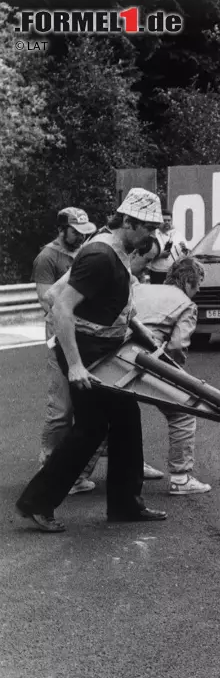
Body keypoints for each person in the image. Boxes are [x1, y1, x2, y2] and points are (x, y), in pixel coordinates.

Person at [16, 188, 167, 532]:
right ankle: (37, 503)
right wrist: (76, 366)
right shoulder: (101, 256)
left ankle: (126, 504)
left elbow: (113, 299)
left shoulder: (118, 248)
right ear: (128, 220)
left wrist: (138, 328)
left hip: (103, 347)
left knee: (126, 420)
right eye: (147, 228)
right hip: (84, 350)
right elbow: (61, 307)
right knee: (90, 429)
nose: (152, 236)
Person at [132, 257, 212, 494]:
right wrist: (177, 379)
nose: (196, 293)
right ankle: (180, 477)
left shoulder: (140, 288)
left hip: (115, 355)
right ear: (188, 282)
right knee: (183, 414)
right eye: (197, 287)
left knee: (110, 414)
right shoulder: (186, 304)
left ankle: (78, 477)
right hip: (147, 360)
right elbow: (177, 348)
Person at [34, 207, 98, 495]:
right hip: (59, 338)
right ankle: (48, 464)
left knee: (93, 405)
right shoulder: (47, 257)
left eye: (85, 232)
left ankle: (76, 468)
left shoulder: (87, 251)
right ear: (62, 230)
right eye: (76, 231)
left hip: (87, 335)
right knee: (62, 408)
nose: (81, 236)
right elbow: (49, 303)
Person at [147, 209, 189, 285]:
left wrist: (185, 250)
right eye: (164, 220)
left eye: (169, 220)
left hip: (174, 273)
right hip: (157, 273)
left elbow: (186, 253)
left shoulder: (177, 234)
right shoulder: (152, 235)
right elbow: (146, 255)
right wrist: (159, 255)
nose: (167, 222)